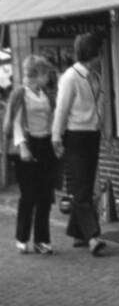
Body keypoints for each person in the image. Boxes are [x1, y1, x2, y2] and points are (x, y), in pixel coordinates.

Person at [51, 31, 106, 256]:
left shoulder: (95, 76)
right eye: (99, 53)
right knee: (82, 189)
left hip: (92, 135)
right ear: (92, 53)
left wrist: (103, 129)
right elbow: (62, 109)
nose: (102, 57)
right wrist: (56, 136)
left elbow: (99, 106)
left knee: (85, 183)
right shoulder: (70, 78)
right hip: (75, 136)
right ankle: (93, 237)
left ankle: (78, 234)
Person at [4, 54, 56, 254]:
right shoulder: (20, 94)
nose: (48, 78)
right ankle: (22, 237)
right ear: (38, 74)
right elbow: (16, 122)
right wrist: (23, 146)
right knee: (28, 195)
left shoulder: (45, 94)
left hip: (45, 144)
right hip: (27, 144)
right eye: (45, 74)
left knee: (45, 195)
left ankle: (42, 240)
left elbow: (51, 117)